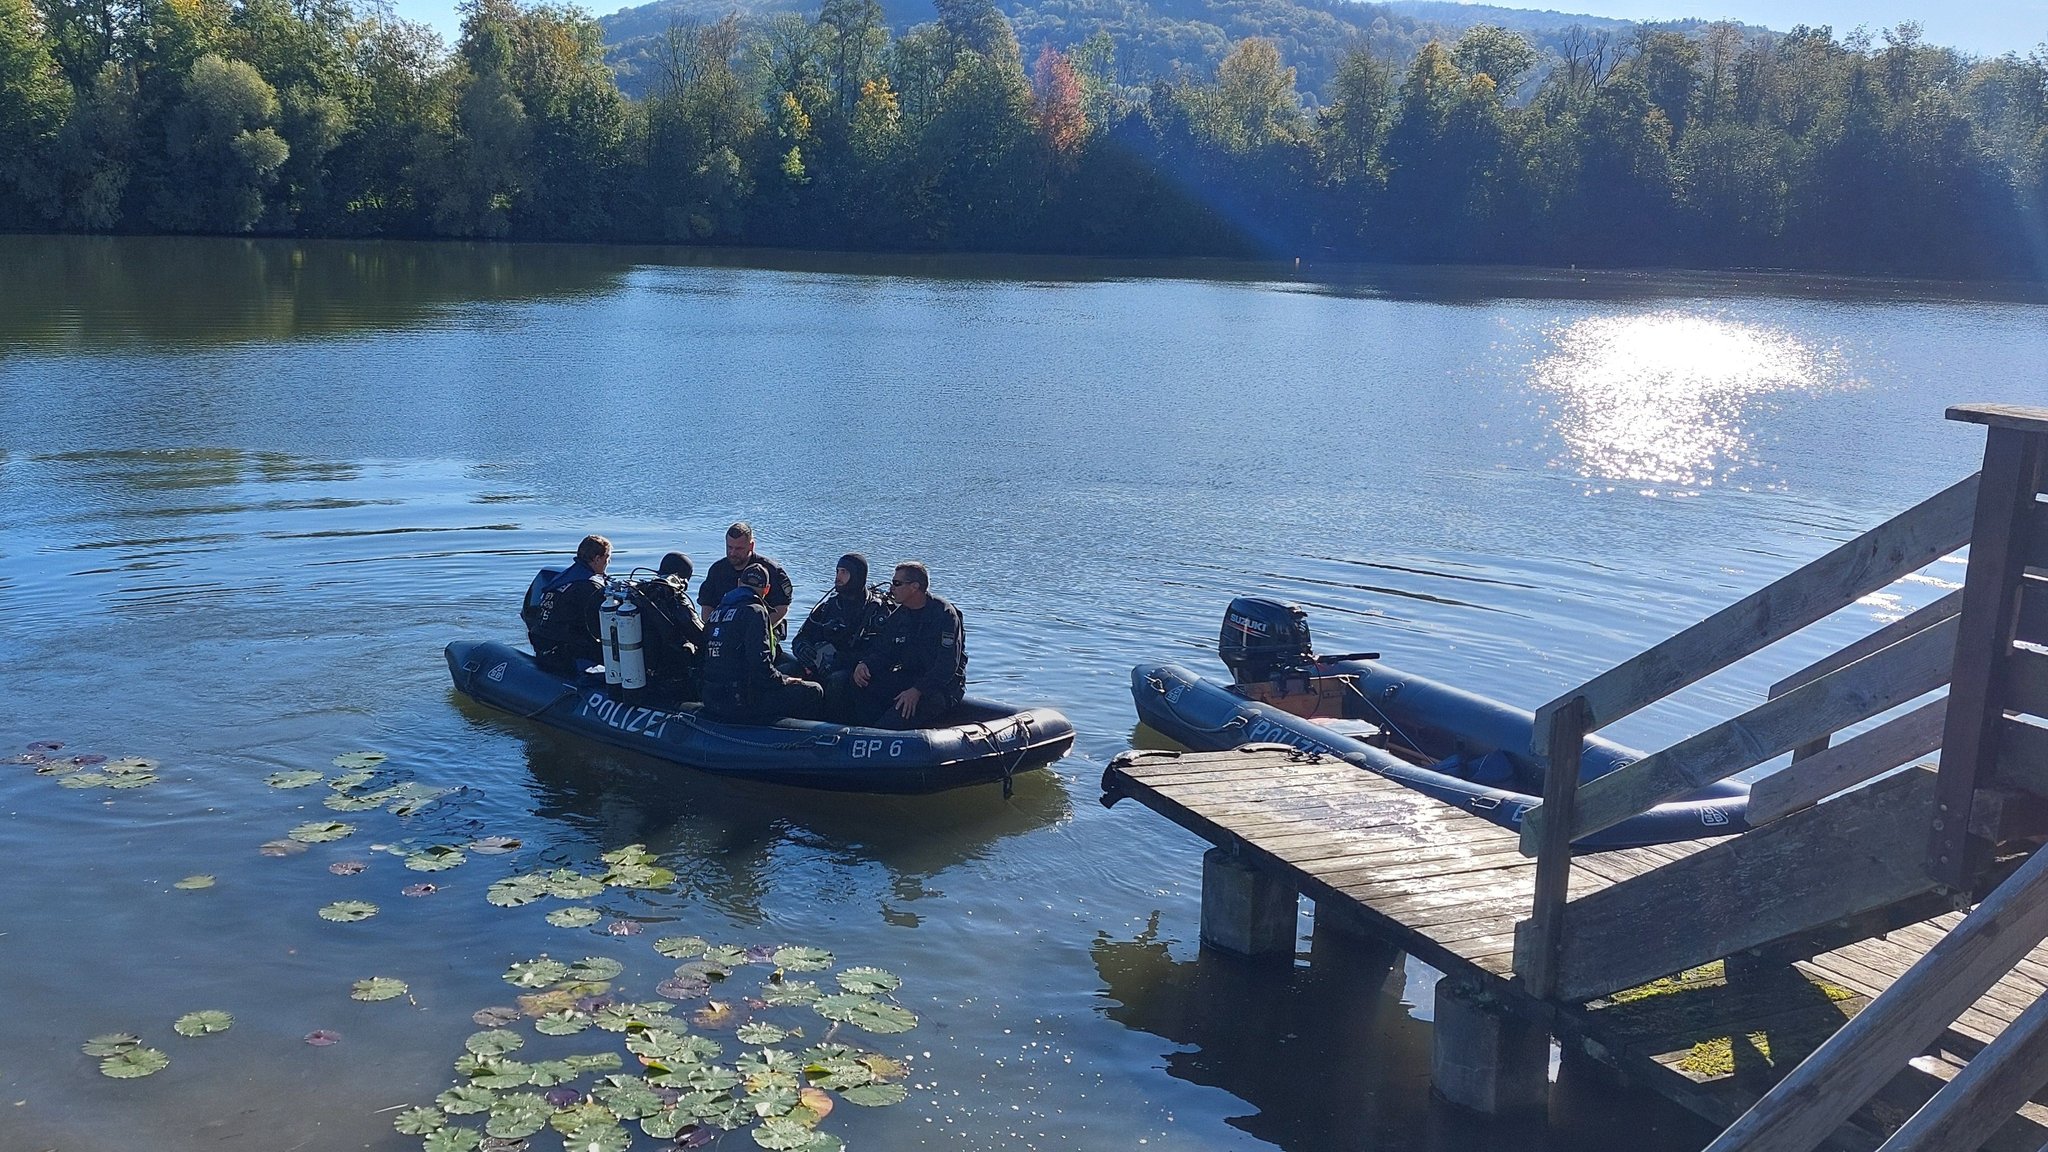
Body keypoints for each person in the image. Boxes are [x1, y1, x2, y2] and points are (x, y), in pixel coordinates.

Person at [700, 564, 827, 724]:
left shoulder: (716, 613)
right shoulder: (755, 612)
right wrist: (784, 680)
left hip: (712, 697)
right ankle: (787, 736)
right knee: (814, 690)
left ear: (739, 583)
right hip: (740, 701)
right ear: (766, 590)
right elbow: (759, 665)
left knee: (790, 670)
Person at [850, 562, 966, 730]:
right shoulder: (899, 617)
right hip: (909, 678)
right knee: (857, 684)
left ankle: (883, 731)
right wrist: (865, 664)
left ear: (914, 587)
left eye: (897, 583)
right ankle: (859, 730)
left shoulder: (944, 615)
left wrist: (918, 690)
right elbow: (884, 652)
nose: (892, 588)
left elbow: (947, 666)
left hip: (940, 687)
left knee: (895, 718)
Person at [789, 552, 892, 678]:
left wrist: (839, 659)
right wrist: (802, 647)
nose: (838, 577)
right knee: (787, 669)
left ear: (857, 576)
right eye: (837, 571)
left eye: (844, 572)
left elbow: (881, 652)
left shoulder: (875, 611)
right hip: (821, 667)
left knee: (837, 680)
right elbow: (802, 636)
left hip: (854, 671)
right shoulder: (827, 606)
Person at [523, 535, 611, 673]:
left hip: (543, 643)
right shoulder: (589, 587)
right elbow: (603, 627)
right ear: (597, 559)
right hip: (564, 652)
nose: (608, 563)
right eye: (607, 558)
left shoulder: (564, 577)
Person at [696, 522, 794, 636]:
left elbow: (782, 608)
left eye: (738, 548)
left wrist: (755, 630)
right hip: (724, 632)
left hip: (762, 631)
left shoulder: (771, 571)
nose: (732, 553)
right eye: (729, 547)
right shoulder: (717, 570)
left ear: (751, 546)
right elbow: (707, 606)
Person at [631, 551, 705, 690]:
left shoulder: (641, 593)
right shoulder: (675, 600)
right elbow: (700, 637)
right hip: (672, 677)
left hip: (643, 671)